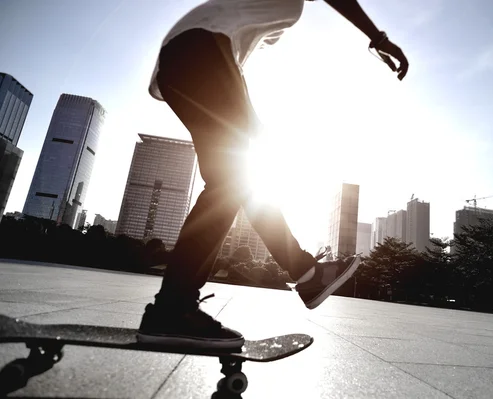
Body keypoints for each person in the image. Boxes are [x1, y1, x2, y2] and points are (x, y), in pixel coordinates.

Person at [137, 0, 409, 350]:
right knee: (231, 181)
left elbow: (232, 72)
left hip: (185, 64)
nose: (269, 39)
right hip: (201, 51)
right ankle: (174, 308)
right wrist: (378, 37)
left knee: (235, 181)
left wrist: (254, 125)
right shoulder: (228, 26)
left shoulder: (238, 28)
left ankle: (304, 273)